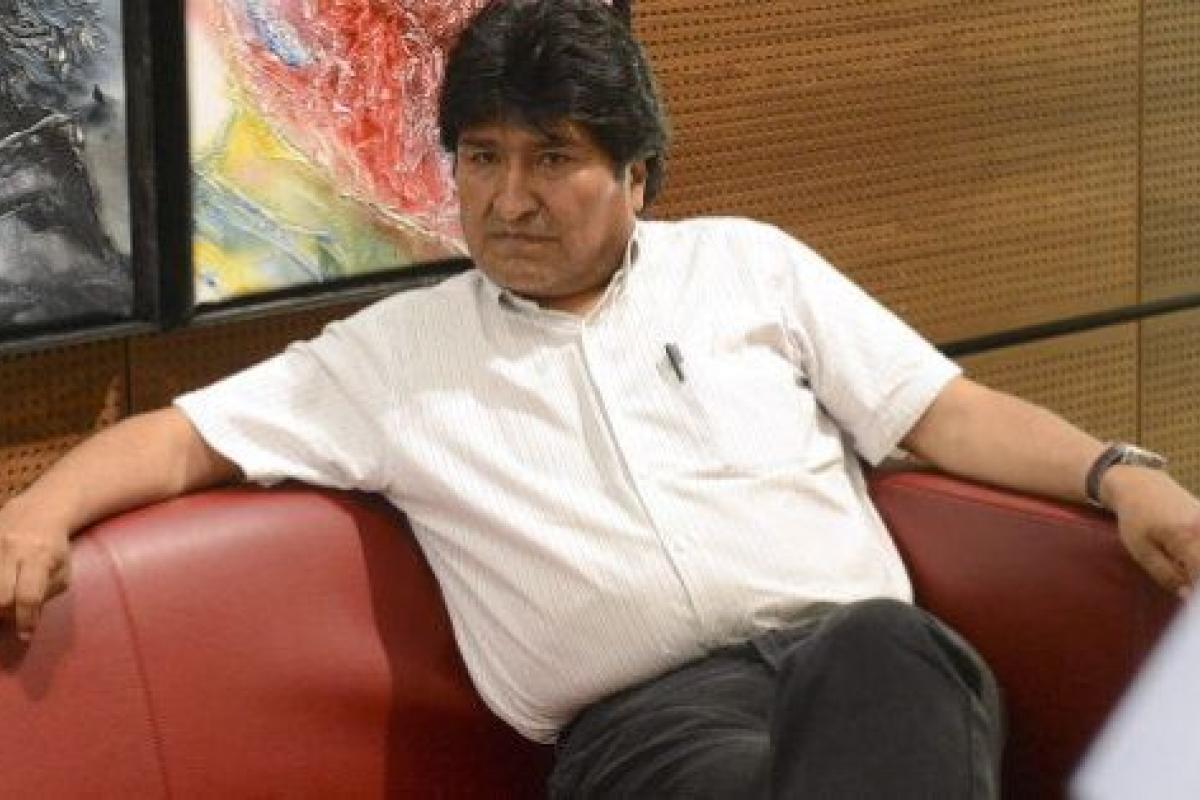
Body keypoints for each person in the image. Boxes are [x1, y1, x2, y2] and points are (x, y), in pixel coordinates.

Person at [2, 1, 1199, 796]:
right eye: (482, 158)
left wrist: (1119, 475)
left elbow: (945, 411)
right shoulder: (391, 355)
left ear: (637, 176)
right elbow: (180, 439)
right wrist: (37, 513)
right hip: (651, 732)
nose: (509, 198)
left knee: (886, 644)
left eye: (554, 158)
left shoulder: (749, 264)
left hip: (865, 673)